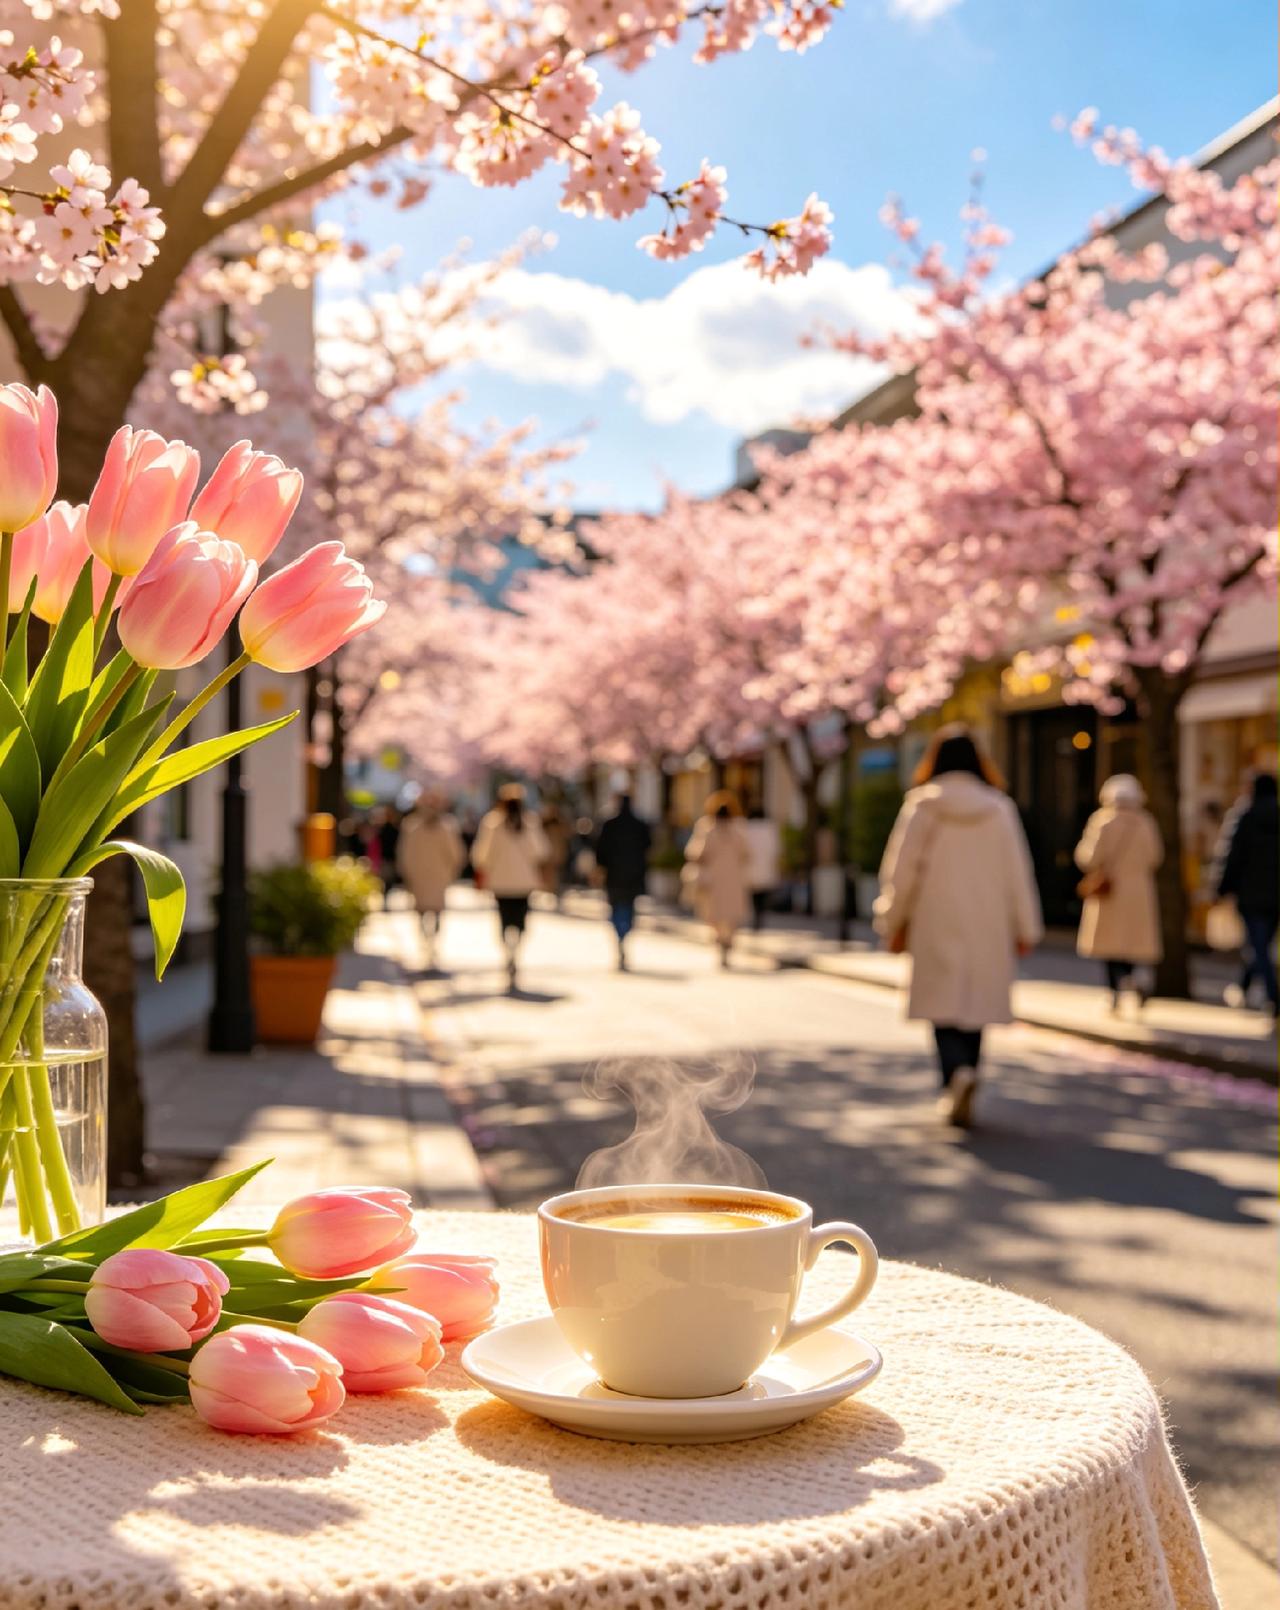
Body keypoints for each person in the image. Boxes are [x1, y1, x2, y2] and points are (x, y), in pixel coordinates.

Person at [873, 725, 1041, 1128]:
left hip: (935, 917)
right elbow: (1018, 872)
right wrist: (1025, 927)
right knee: (975, 1005)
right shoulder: (999, 808)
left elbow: (902, 871)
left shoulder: (923, 807)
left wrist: (891, 919)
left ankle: (954, 1076)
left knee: (942, 1006)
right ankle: (969, 1069)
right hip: (988, 920)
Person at [1074, 774, 1164, 1011]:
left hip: (1110, 891)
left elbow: (1087, 857)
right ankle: (1134, 977)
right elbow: (1155, 857)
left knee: (1108, 944)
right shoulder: (1146, 822)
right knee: (1133, 943)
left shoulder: (1102, 821)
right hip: (1139, 891)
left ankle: (1116, 989)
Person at [472, 785, 551, 991]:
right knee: (521, 919)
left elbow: (482, 854)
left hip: (500, 881)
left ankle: (508, 950)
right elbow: (541, 851)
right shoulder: (529, 822)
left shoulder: (493, 822)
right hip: (524, 881)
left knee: (504, 918)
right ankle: (515, 951)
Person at [1214, 771, 1279, 1017]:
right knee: (1260, 944)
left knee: (1258, 946)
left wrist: (1222, 888)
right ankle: (1242, 987)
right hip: (1273, 895)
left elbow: (1232, 856)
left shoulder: (1245, 815)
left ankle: (1274, 996)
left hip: (1251, 893)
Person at [684, 791, 751, 968]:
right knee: (731, 915)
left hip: (713, 878)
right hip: (733, 878)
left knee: (713, 914)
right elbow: (746, 853)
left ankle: (721, 940)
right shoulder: (739, 828)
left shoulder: (707, 828)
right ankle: (726, 941)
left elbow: (695, 852)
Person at [397, 795, 464, 968]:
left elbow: (405, 854)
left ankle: (428, 942)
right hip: (437, 875)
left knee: (423, 910)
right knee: (435, 910)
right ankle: (430, 942)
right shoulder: (443, 826)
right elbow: (456, 854)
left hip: (422, 875)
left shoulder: (414, 825)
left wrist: (408, 873)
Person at [594, 794, 652, 970]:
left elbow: (600, 850)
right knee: (628, 908)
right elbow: (648, 846)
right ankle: (623, 935)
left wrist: (601, 868)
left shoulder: (610, 825)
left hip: (614, 875)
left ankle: (620, 936)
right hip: (633, 874)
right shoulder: (640, 824)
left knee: (616, 907)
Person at [744, 806, 782, 932]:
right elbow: (776, 848)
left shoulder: (747, 828)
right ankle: (759, 916)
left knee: (753, 894)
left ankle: (756, 916)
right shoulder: (770, 828)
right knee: (762, 893)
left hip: (751, 866)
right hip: (765, 865)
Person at [539, 804, 572, 906]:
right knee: (549, 874)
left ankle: (552, 891)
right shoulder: (544, 825)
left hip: (555, 853)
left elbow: (567, 835)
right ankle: (549, 891)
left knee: (554, 874)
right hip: (548, 853)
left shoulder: (559, 824)